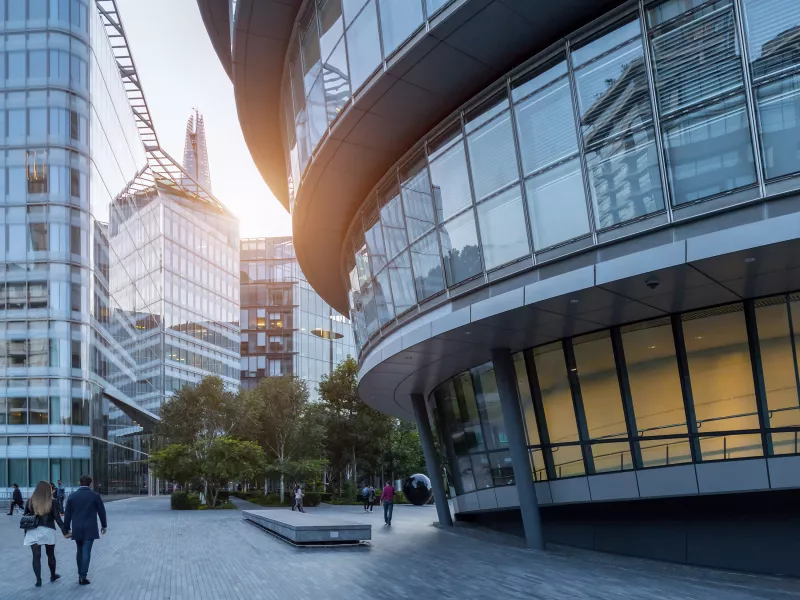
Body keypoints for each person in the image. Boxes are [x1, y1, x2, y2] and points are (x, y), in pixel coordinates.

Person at [63, 474, 107, 586]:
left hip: (77, 527)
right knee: (86, 551)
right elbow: (102, 511)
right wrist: (104, 525)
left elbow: (67, 514)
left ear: (80, 482)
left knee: (79, 550)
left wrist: (66, 528)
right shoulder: (95, 496)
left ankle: (80, 574)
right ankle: (83, 576)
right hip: (90, 527)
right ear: (90, 484)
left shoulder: (72, 496)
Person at [22, 481, 65, 587]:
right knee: (50, 555)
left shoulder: (30, 501)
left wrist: (26, 532)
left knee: (36, 557)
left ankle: (38, 580)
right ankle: (52, 575)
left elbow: (25, 517)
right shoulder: (52, 501)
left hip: (33, 530)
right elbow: (57, 518)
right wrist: (65, 531)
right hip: (48, 530)